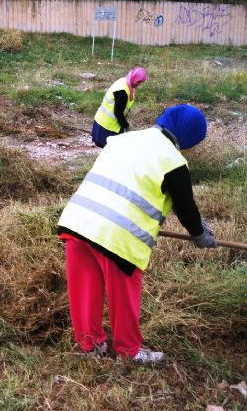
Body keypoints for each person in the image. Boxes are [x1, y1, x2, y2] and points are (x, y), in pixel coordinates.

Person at [57, 104, 217, 363]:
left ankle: (90, 346)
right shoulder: (174, 162)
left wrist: (198, 226)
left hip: (79, 221)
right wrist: (200, 234)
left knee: (85, 291)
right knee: (123, 298)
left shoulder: (124, 139)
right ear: (189, 136)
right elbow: (186, 208)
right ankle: (129, 352)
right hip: (117, 236)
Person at [92, 67, 148, 147]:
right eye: (138, 82)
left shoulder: (126, 82)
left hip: (104, 120)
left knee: (109, 151)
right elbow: (118, 112)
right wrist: (126, 126)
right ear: (134, 78)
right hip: (108, 125)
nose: (139, 84)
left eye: (140, 82)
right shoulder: (123, 91)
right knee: (111, 150)